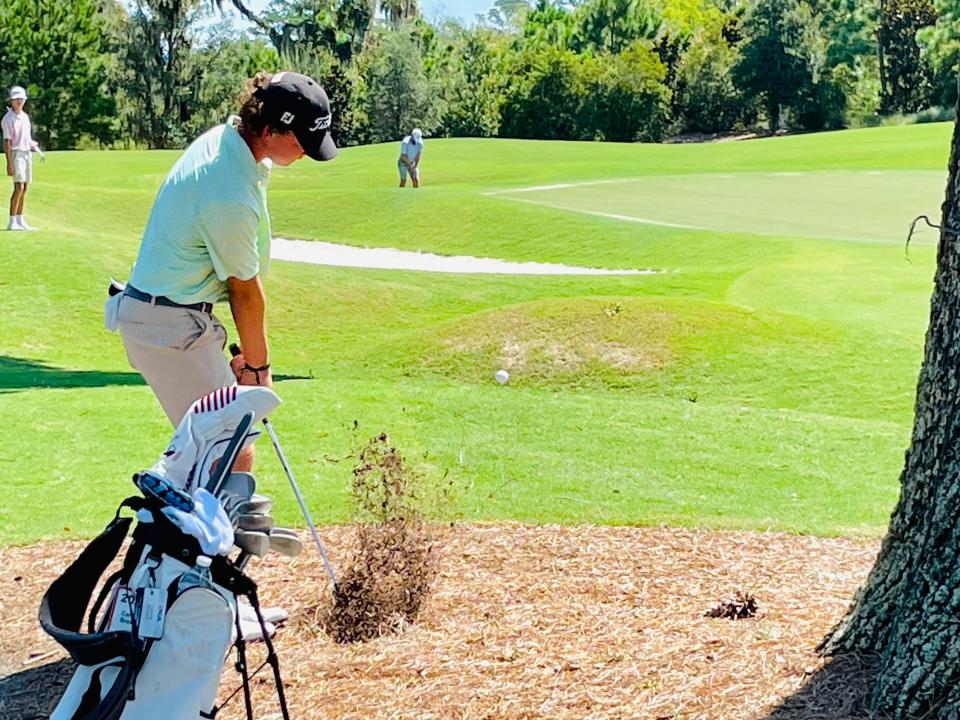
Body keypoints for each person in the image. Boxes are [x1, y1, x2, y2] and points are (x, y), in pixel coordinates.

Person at [113, 71, 337, 472]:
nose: (307, 151)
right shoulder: (229, 192)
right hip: (168, 325)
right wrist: (258, 370)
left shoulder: (229, 142)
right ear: (270, 131)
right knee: (232, 448)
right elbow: (245, 292)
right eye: (302, 140)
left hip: (171, 316)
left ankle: (204, 524)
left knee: (217, 447)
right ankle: (198, 531)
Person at [2, 85, 41, 231]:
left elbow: (26, 137)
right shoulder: (8, 119)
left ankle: (20, 219)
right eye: (16, 99)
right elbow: (7, 141)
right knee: (19, 187)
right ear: (12, 101)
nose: (19, 102)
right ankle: (12, 221)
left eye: (22, 99)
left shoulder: (24, 117)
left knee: (25, 188)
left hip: (26, 153)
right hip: (16, 153)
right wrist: (9, 163)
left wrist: (32, 145)